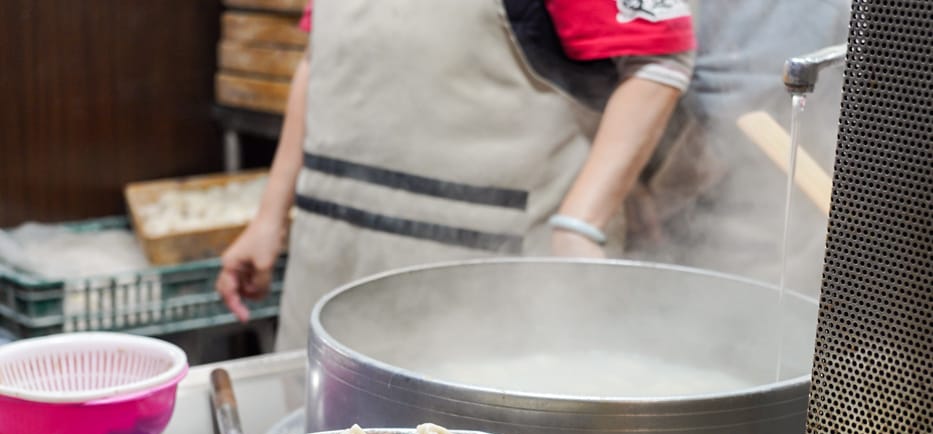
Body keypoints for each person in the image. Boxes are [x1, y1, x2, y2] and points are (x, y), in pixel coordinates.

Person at [216, 0, 696, 351]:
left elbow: (660, 58)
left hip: (488, 287)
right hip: (327, 267)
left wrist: (580, 222)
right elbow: (316, 58)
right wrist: (269, 218)